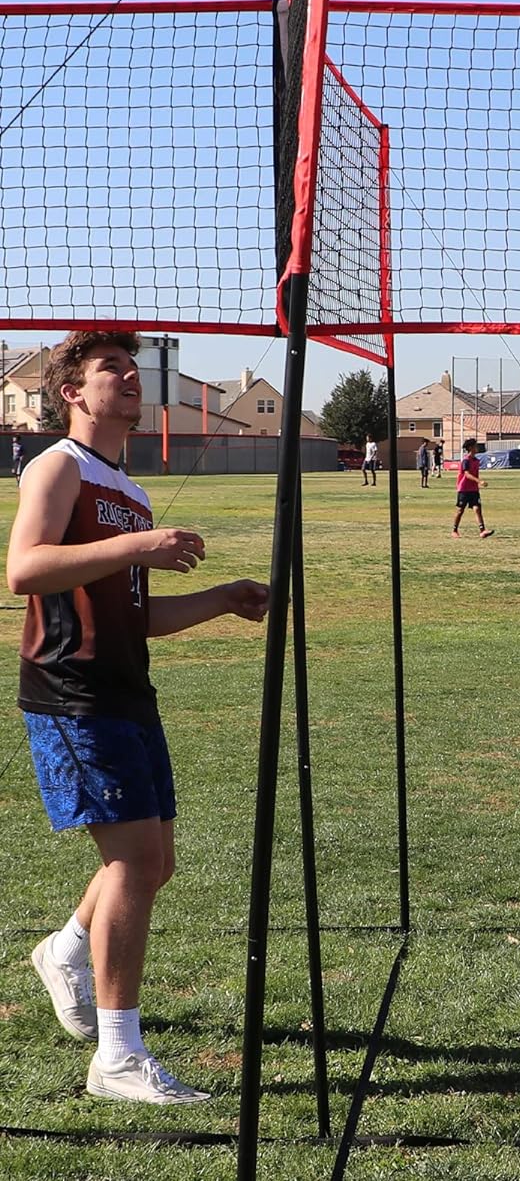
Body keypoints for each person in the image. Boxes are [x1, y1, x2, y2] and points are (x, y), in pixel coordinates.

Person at [7, 331, 269, 1104]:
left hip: (128, 689)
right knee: (131, 865)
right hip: (72, 691)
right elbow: (25, 567)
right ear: (72, 394)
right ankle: (118, 1058)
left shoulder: (130, 489)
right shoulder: (59, 466)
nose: (128, 376)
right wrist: (140, 545)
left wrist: (220, 598)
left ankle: (65, 949)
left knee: (154, 864)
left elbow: (136, 613)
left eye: (131, 368)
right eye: (108, 370)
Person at [452, 437, 492, 539]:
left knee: (477, 508)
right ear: (470, 448)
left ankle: (482, 531)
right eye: (475, 445)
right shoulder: (466, 460)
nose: (477, 447)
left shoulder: (476, 461)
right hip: (464, 489)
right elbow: (467, 474)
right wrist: (479, 481)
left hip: (473, 489)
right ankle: (454, 530)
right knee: (460, 510)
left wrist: (477, 484)